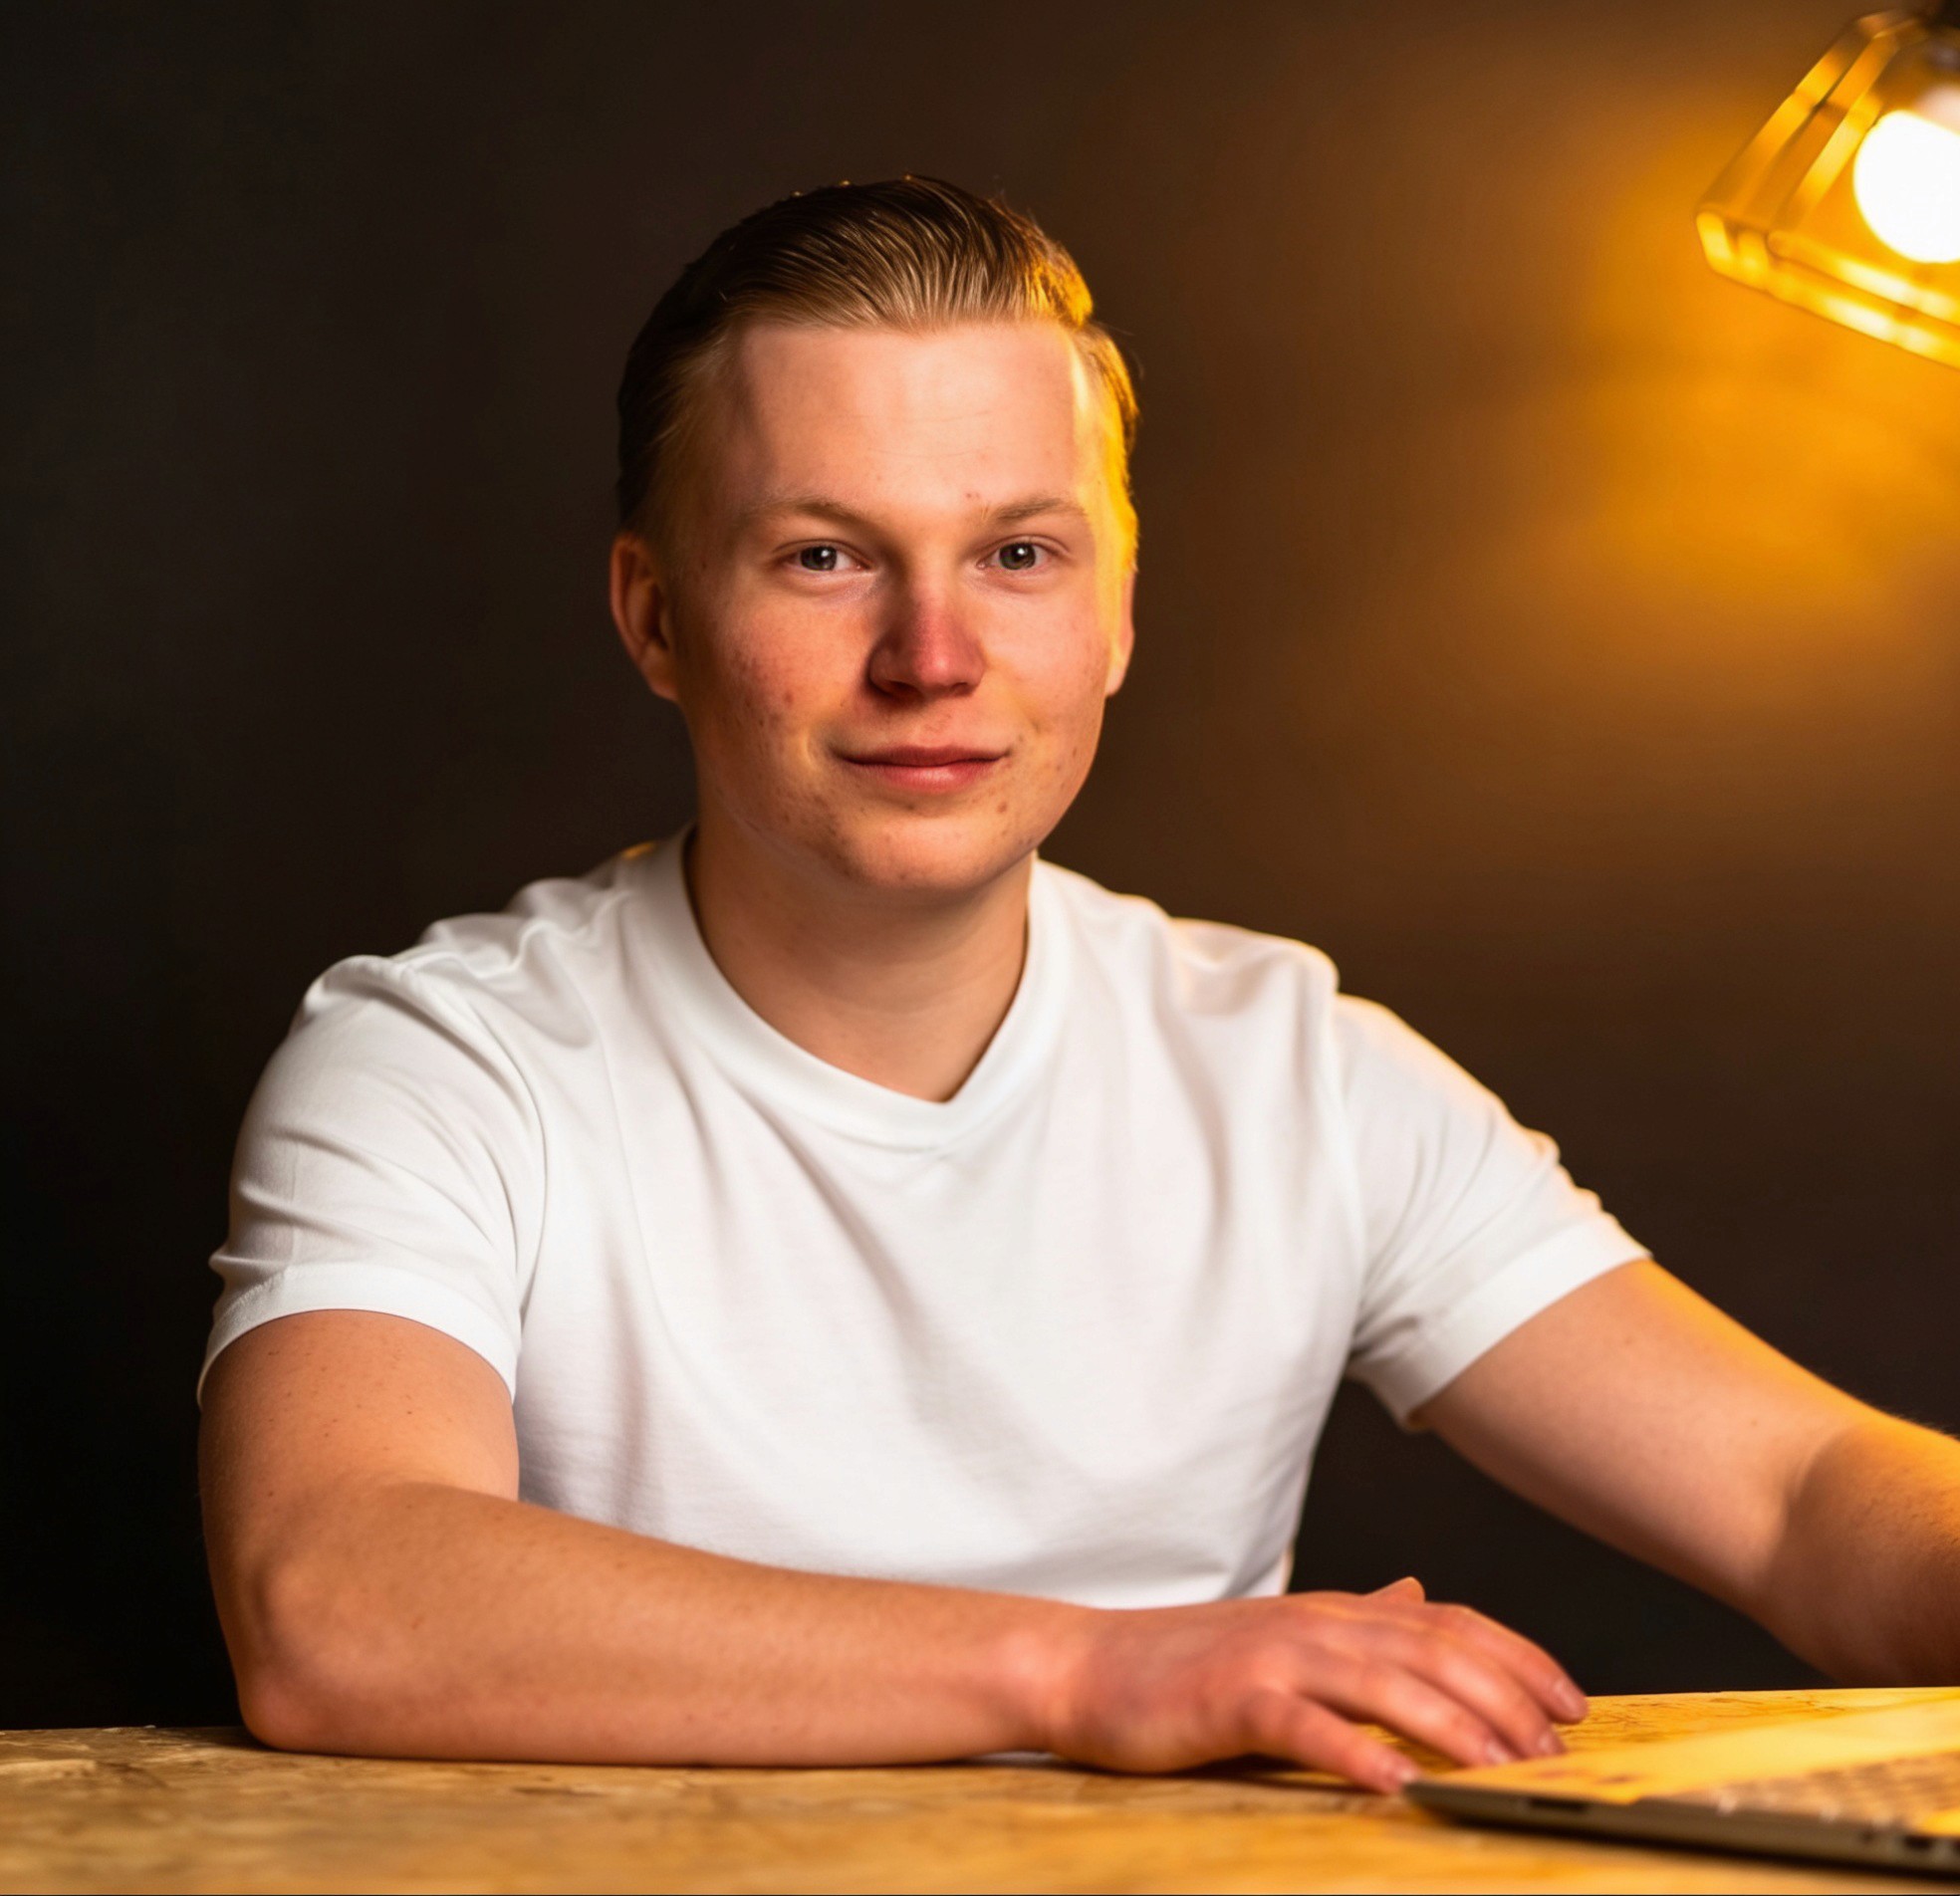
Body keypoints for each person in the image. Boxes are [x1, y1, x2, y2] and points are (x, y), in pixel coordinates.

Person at [198, 177, 1960, 1790]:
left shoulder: (1294, 1073)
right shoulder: (440, 1061)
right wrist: (1094, 1673)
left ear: (1116, 612)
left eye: (1019, 556)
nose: (934, 658)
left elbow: (1805, 1498)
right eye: (826, 555)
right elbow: (337, 1593)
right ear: (655, 620)